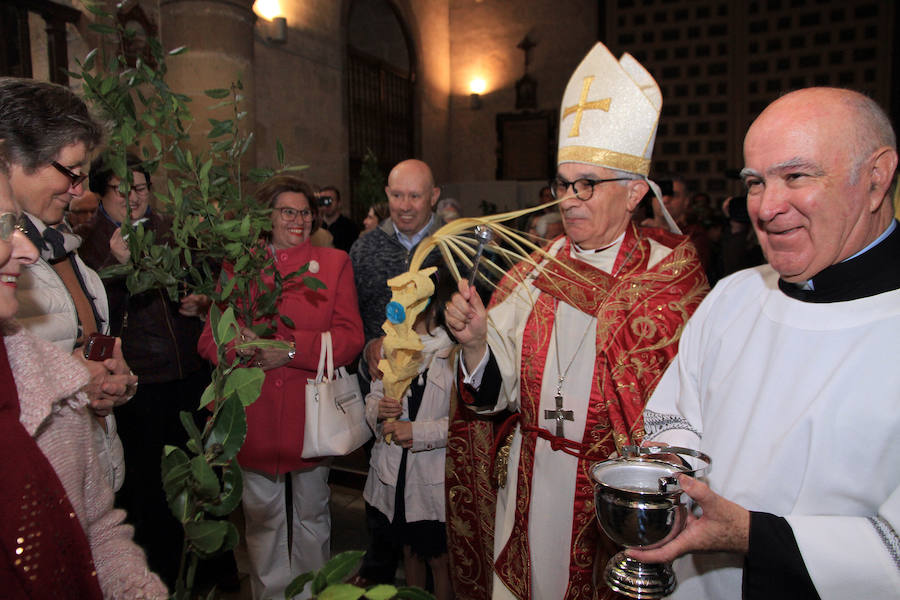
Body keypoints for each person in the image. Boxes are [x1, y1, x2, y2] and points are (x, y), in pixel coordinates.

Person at [442, 43, 708, 600]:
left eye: (587, 183)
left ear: (635, 192)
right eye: (564, 183)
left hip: (614, 504)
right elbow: (495, 393)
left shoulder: (670, 282)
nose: (569, 199)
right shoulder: (534, 270)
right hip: (533, 481)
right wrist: (473, 346)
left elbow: (687, 415)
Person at [633, 87, 900, 600]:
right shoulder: (733, 296)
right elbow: (676, 417)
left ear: (875, 177)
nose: (768, 207)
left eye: (796, 176)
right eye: (756, 182)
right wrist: (672, 477)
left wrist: (754, 536)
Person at [0, 160, 167, 598]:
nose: (26, 250)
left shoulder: (69, 259)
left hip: (106, 441)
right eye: (4, 227)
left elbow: (94, 522)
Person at [198, 174, 364, 600]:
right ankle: (271, 595)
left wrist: (288, 351)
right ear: (267, 217)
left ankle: (312, 593)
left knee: (312, 517)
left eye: (305, 212)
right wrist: (242, 347)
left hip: (312, 415)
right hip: (254, 417)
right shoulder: (241, 265)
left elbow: (349, 339)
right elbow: (210, 339)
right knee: (263, 520)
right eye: (287, 211)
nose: (299, 220)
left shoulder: (333, 263)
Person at [76, 153, 213, 588]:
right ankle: (153, 581)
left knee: (195, 479)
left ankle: (199, 568)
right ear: (103, 191)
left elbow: (199, 282)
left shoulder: (171, 230)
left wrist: (201, 302)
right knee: (148, 490)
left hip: (186, 372)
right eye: (122, 188)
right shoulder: (88, 240)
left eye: (141, 188)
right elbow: (95, 317)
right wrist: (116, 269)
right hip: (138, 382)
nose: (133, 197)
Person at [0, 77, 135, 492]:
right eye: (72, 173)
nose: (79, 192)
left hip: (88, 472)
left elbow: (91, 346)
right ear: (13, 157)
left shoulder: (66, 250)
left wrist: (118, 379)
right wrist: (69, 381)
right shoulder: (12, 264)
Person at [348, 158, 443, 585]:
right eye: (396, 195)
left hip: (438, 386)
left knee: (432, 507)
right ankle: (382, 571)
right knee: (384, 485)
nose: (404, 205)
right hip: (384, 386)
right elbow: (353, 317)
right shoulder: (365, 248)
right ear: (386, 195)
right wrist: (367, 343)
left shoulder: (452, 246)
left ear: (433, 196)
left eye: (415, 195)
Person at [363, 266, 457, 599]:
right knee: (409, 554)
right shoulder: (395, 343)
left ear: (433, 305)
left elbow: (461, 426)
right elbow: (373, 398)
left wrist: (416, 432)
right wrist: (379, 410)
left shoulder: (454, 352)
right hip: (396, 471)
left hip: (430, 474)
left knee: (438, 559)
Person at [317, 185, 359, 252]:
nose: (326, 204)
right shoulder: (315, 227)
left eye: (330, 200)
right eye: (323, 200)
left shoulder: (350, 227)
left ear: (339, 203)